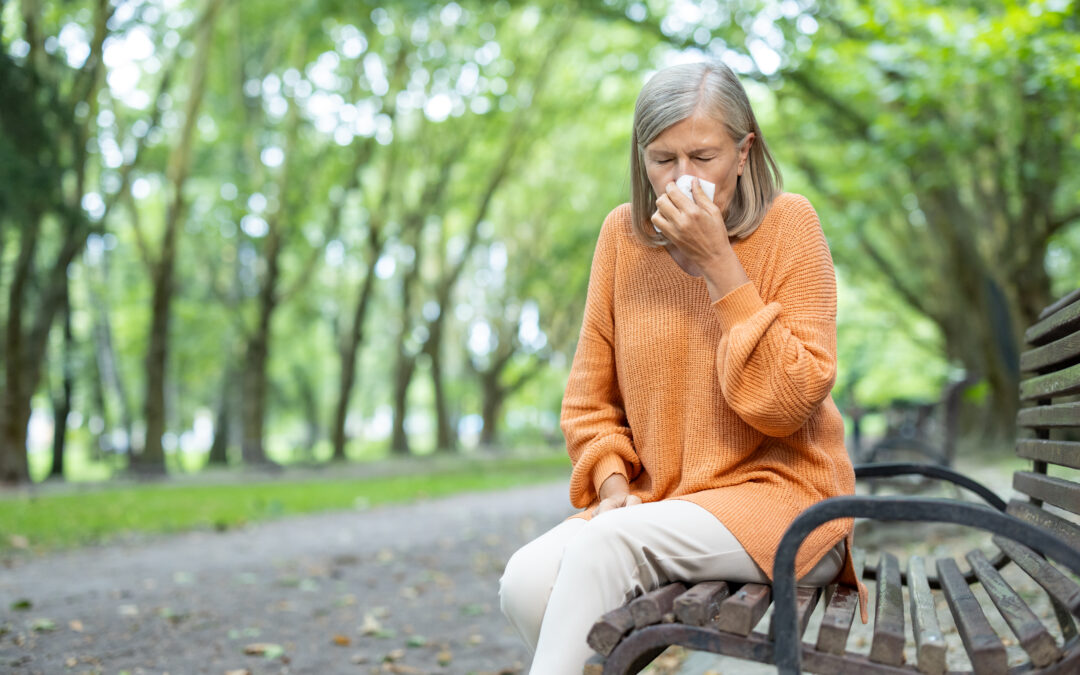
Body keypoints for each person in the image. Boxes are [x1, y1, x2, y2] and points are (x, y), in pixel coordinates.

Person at [498, 60, 863, 673]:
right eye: (663, 159)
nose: (682, 178)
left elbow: (787, 404)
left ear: (744, 152)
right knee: (526, 582)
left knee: (607, 548)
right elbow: (590, 402)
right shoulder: (622, 237)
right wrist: (614, 486)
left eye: (703, 156)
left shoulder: (790, 224)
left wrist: (721, 267)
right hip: (658, 506)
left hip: (786, 504)